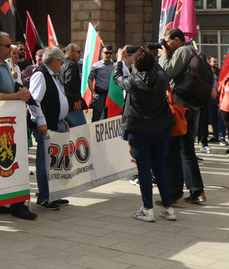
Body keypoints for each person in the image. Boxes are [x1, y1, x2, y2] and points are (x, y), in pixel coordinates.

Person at [0, 32, 37, 221]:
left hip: (9, 121)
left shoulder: (3, 65)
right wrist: (17, 96)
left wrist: (20, 91)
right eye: (7, 45)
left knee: (7, 162)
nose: (11, 48)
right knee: (7, 162)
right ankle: (15, 205)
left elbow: (8, 89)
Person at [113, 46, 176, 223]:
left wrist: (119, 59)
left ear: (136, 65)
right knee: (160, 168)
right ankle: (168, 208)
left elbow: (117, 78)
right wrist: (148, 55)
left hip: (139, 130)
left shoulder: (132, 80)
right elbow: (160, 69)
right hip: (160, 129)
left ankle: (147, 209)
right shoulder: (162, 78)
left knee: (143, 170)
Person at [158, 28, 206, 205]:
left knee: (173, 151)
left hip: (181, 107)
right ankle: (197, 191)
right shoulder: (193, 51)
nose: (165, 44)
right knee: (187, 150)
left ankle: (175, 194)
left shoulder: (184, 51)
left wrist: (163, 55)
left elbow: (167, 73)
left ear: (177, 40)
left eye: (167, 41)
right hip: (192, 106)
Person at [27, 46, 68, 211]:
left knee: (56, 162)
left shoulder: (53, 75)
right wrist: (41, 122)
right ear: (54, 61)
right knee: (45, 162)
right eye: (61, 61)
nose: (62, 64)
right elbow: (34, 101)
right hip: (47, 126)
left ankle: (54, 194)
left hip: (57, 123)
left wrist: (63, 119)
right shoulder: (40, 75)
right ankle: (44, 197)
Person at [57, 43, 88, 129]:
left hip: (63, 104)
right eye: (78, 52)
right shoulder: (71, 64)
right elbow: (69, 82)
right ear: (70, 52)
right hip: (72, 105)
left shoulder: (61, 64)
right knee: (83, 131)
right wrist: (76, 100)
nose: (80, 54)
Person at [88, 45, 115, 122]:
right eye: (106, 53)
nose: (108, 55)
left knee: (109, 115)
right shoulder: (96, 65)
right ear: (102, 53)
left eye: (110, 53)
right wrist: (93, 92)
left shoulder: (114, 65)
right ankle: (93, 133)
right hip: (99, 93)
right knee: (97, 114)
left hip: (110, 94)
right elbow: (90, 80)